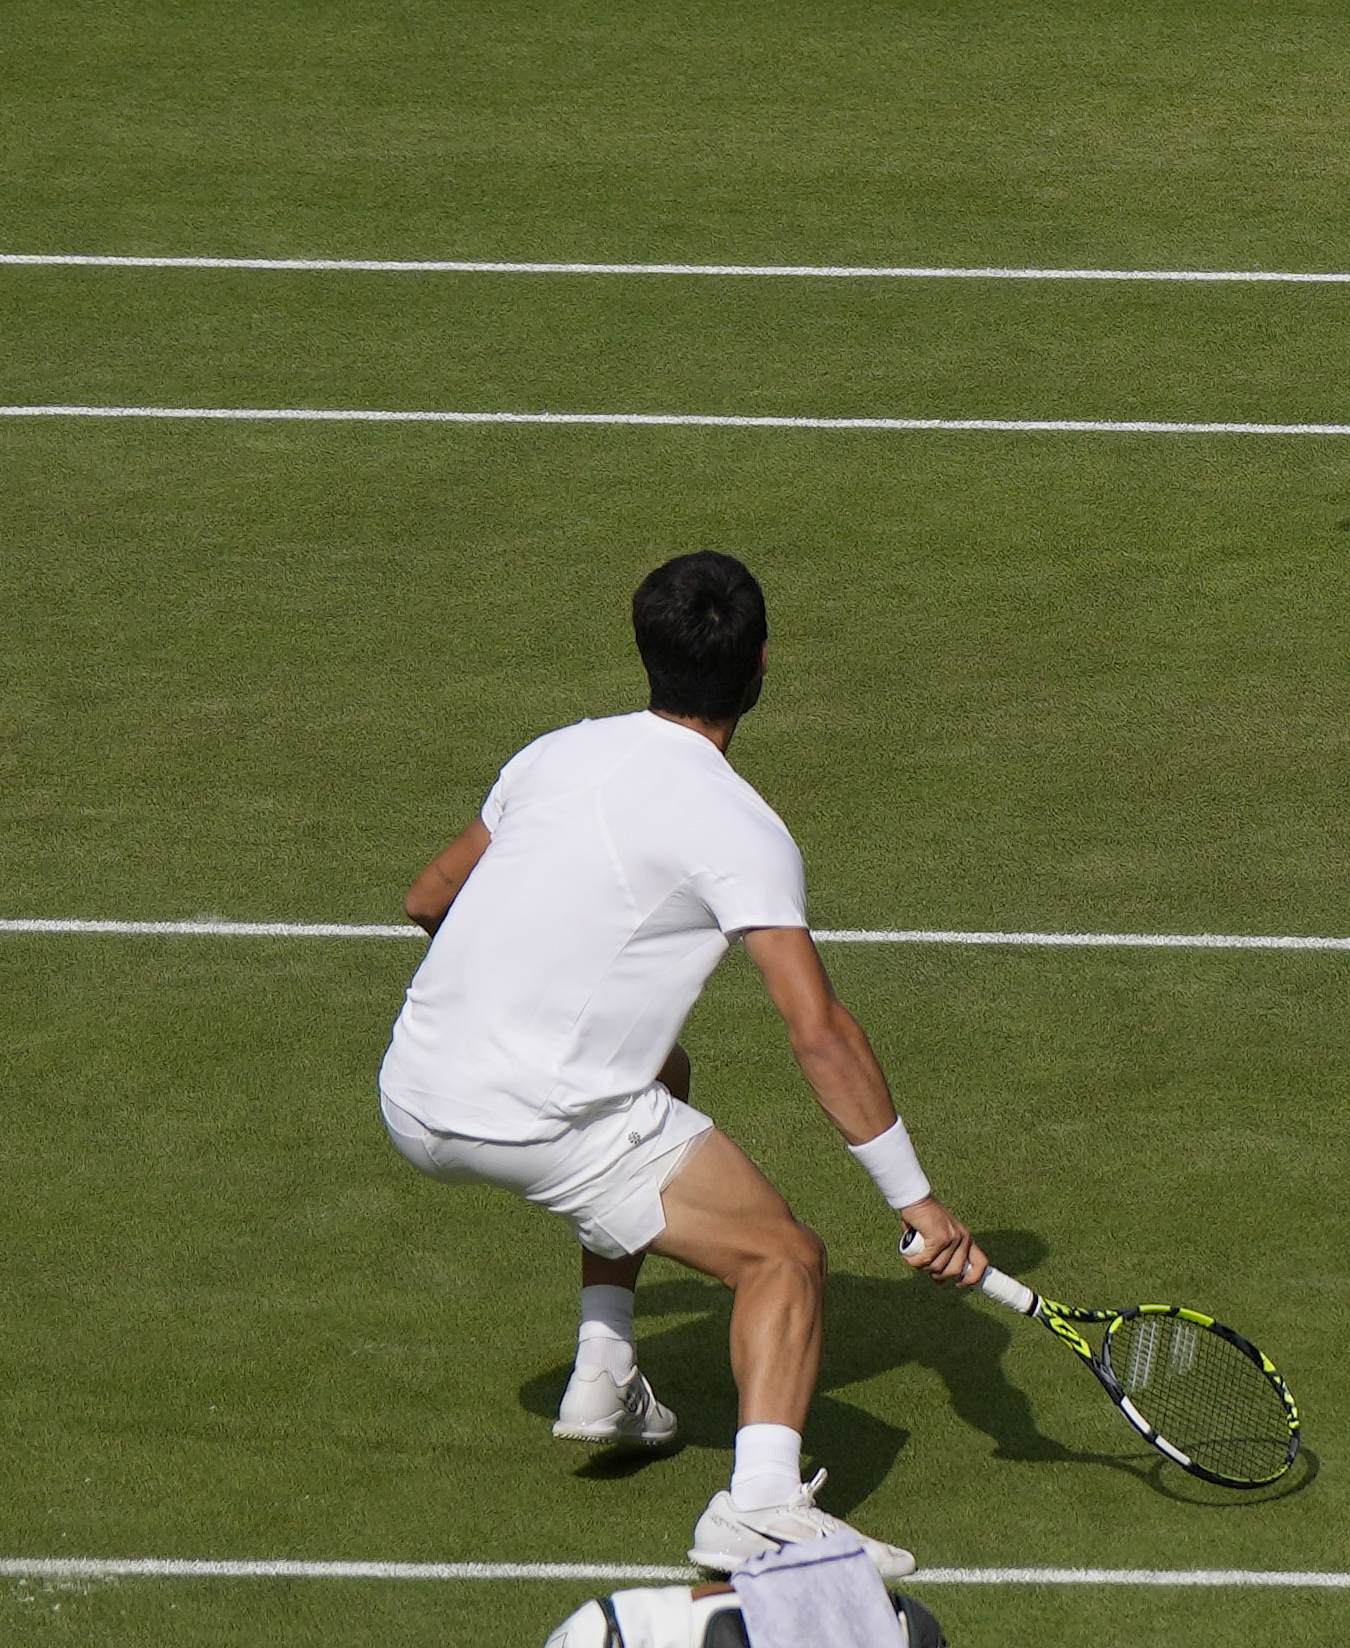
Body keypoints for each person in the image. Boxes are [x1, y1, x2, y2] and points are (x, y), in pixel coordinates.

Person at [379, 550, 981, 1567]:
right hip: (534, 1119)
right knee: (783, 1259)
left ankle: (604, 1369)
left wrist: (516, 1005)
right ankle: (758, 1505)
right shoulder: (741, 826)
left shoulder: (554, 753)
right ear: (759, 666)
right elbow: (817, 1029)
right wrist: (915, 1200)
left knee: (663, 1072)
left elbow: (427, 899)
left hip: (412, 1087)